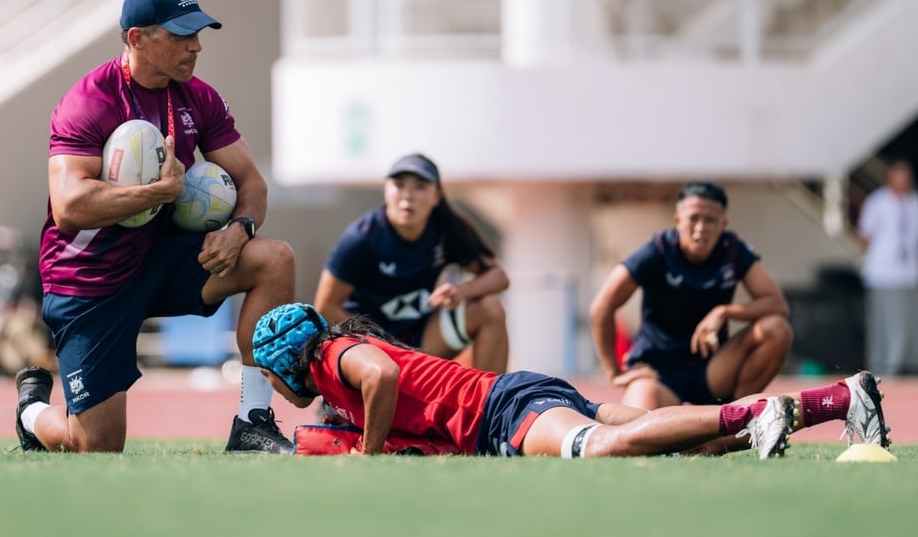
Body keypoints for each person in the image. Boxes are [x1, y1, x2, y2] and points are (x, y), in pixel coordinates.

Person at [13, 0, 296, 454]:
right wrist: (155, 193)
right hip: (90, 281)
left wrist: (240, 229)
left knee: (275, 259)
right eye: (182, 34)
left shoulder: (198, 97)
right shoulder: (89, 101)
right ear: (137, 38)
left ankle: (252, 421)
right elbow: (69, 207)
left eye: (199, 33)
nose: (197, 46)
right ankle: (31, 413)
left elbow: (252, 184)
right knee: (95, 446)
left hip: (158, 259)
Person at [251, 303, 890, 458]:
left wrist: (364, 455)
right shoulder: (338, 378)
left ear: (286, 364)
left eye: (269, 378)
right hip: (513, 400)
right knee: (664, 441)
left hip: (503, 409)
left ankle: (748, 416)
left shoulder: (334, 357)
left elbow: (384, 375)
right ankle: (839, 398)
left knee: (601, 448)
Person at [589, 180, 793, 410]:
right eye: (693, 218)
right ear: (678, 221)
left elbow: (777, 304)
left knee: (776, 329)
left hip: (712, 369)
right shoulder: (657, 251)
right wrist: (614, 372)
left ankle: (738, 416)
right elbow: (601, 307)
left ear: (722, 224)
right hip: (658, 372)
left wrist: (724, 312)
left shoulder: (733, 251)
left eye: (710, 220)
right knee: (638, 432)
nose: (701, 227)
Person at [313, 153, 510, 374]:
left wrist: (461, 291)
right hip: (369, 345)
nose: (408, 196)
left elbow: (499, 277)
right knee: (379, 382)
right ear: (386, 190)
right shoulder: (362, 238)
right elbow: (325, 307)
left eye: (420, 186)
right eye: (399, 185)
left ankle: (490, 405)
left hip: (420, 340)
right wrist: (381, 344)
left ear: (437, 196)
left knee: (490, 308)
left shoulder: (447, 230)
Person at [858, 159, 918, 375]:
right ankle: (882, 366)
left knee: (906, 323)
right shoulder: (877, 202)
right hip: (882, 272)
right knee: (883, 323)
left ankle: (903, 365)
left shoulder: (913, 203)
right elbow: (865, 235)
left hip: (908, 273)